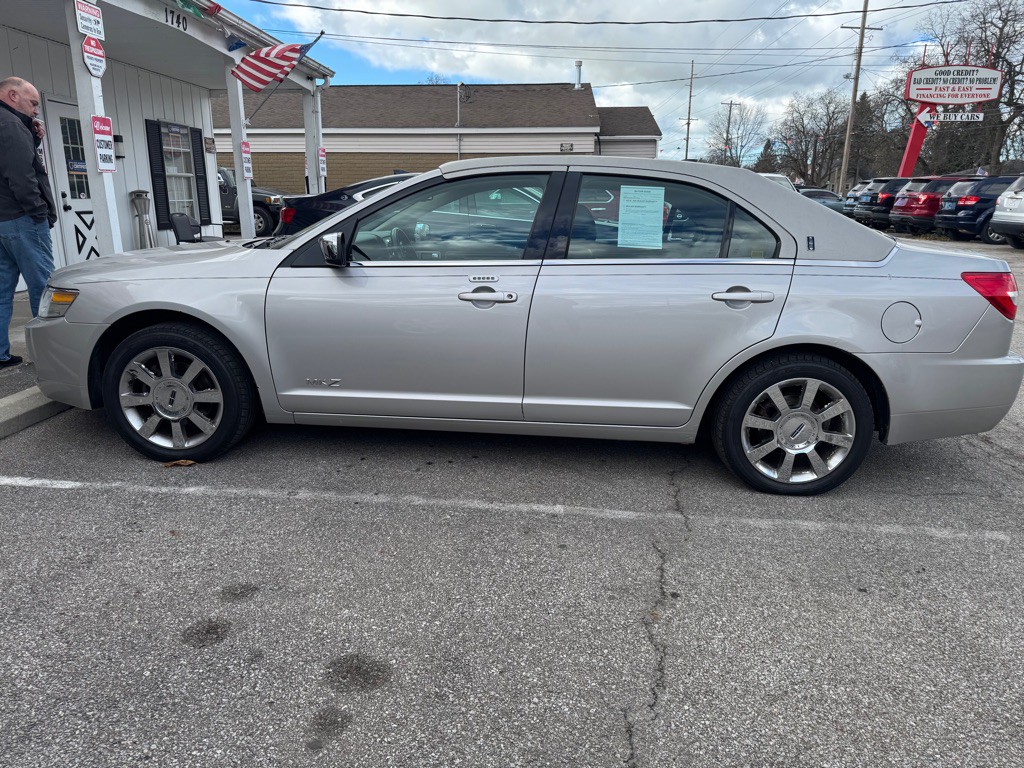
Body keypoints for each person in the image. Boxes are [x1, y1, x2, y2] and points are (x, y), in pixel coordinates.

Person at [0, 76, 55, 368]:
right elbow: (21, 177)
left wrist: (32, 138)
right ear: (12, 95)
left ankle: (0, 354)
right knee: (44, 288)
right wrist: (39, 213)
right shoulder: (10, 126)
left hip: (2, 222)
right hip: (23, 221)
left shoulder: (11, 126)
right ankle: (48, 358)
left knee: (1, 292)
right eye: (32, 102)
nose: (36, 109)